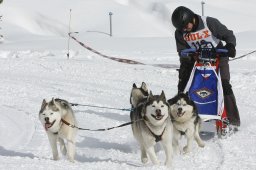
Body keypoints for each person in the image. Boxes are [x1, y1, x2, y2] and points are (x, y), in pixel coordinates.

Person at [171, 6, 240, 130]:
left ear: (192, 19)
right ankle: (180, 117)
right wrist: (188, 60)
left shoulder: (209, 22)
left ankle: (232, 120)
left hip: (219, 56)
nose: (184, 29)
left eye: (186, 26)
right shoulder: (180, 32)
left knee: (223, 85)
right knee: (184, 85)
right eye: (182, 28)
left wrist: (230, 46)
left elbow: (229, 35)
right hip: (196, 58)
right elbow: (182, 51)